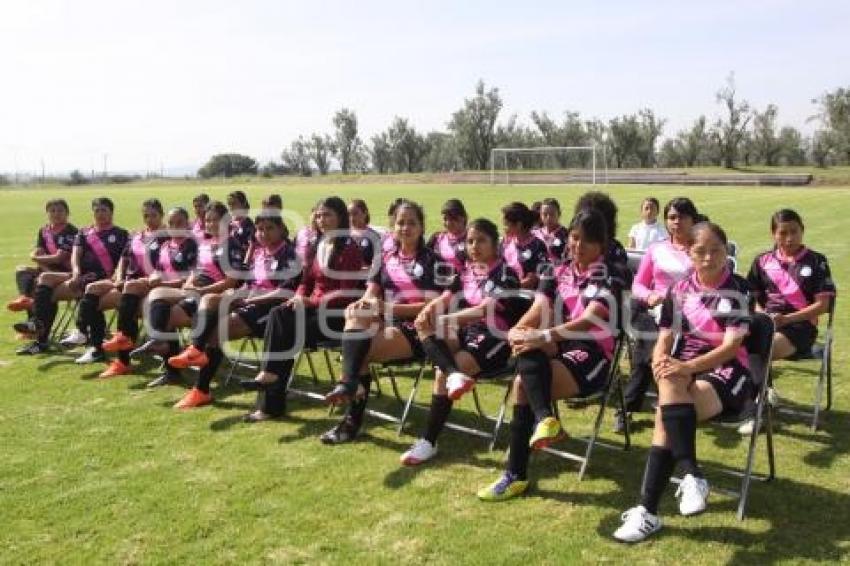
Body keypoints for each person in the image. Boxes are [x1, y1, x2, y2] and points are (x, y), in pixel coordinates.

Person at [613, 222, 752, 543]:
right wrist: (661, 359)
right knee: (669, 391)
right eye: (700, 251)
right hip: (684, 370)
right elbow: (665, 337)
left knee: (666, 413)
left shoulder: (739, 288)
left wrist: (685, 367)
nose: (708, 258)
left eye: (715, 250)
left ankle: (650, 509)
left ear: (725, 252)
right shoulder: (679, 290)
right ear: (689, 253)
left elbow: (730, 348)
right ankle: (689, 476)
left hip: (727, 371)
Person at [477, 209, 619, 500]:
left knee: (522, 384)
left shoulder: (610, 275)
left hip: (592, 355)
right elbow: (540, 307)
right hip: (559, 346)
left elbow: (590, 320)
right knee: (524, 364)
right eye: (575, 238)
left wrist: (541, 335)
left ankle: (517, 472)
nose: (578, 246)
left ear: (601, 246)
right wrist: (519, 329)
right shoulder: (558, 270)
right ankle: (543, 425)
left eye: (587, 242)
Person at [399, 218, 525, 466]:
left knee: (441, 374)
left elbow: (484, 310)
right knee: (425, 325)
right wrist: (429, 311)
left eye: (481, 240)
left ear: (494, 243)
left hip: (494, 339)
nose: (474, 246)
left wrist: (446, 318)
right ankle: (454, 375)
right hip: (467, 332)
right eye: (469, 241)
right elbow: (447, 295)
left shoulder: (506, 274)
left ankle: (428, 441)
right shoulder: (467, 270)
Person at [321, 200, 447, 443]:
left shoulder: (434, 260)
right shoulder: (385, 257)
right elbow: (371, 291)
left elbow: (431, 307)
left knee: (357, 353)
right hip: (384, 321)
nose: (405, 228)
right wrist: (365, 302)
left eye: (412, 223)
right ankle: (349, 384)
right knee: (354, 313)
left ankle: (350, 417)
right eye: (400, 222)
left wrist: (386, 308)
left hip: (418, 328)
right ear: (392, 226)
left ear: (422, 227)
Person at [241, 196, 364, 422]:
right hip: (312, 310)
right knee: (279, 314)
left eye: (327, 215)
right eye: (318, 215)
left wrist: (311, 302)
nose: (322, 220)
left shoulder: (350, 249)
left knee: (284, 332)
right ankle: (268, 381)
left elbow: (346, 293)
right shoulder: (317, 245)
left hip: (336, 316)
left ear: (341, 218)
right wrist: (298, 297)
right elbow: (305, 282)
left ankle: (270, 403)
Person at [168, 211, 300, 409]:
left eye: (270, 228)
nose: (263, 233)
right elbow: (249, 283)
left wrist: (250, 298)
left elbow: (286, 292)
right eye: (260, 229)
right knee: (211, 299)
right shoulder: (258, 252)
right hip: (249, 302)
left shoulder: (289, 254)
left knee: (214, 333)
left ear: (281, 229)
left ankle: (201, 389)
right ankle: (195, 349)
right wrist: (238, 293)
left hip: (271, 310)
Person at [739, 209, 836, 434]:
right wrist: (764, 316)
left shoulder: (817, 261)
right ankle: (762, 394)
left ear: (803, 231)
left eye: (794, 232)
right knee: (739, 344)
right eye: (783, 233)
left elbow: (823, 305)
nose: (789, 238)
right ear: (773, 234)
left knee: (759, 348)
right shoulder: (762, 261)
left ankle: (757, 410)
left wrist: (786, 319)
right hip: (765, 324)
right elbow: (750, 298)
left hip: (800, 327)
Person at [132, 201, 244, 387]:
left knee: (165, 310)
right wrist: (190, 283)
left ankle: (182, 359)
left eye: (215, 220)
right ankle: (169, 364)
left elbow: (231, 282)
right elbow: (196, 271)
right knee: (159, 302)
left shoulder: (231, 244)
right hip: (196, 292)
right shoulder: (206, 243)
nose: (210, 224)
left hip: (217, 298)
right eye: (207, 220)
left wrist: (201, 290)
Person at [616, 197, 702, 433]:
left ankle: (637, 406)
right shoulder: (656, 249)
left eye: (682, 217)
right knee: (652, 348)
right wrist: (650, 296)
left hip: (689, 315)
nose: (677, 222)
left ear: (693, 220)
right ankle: (642, 406)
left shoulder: (700, 252)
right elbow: (638, 285)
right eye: (672, 217)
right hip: (651, 309)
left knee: (650, 353)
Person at [17, 198, 128, 356]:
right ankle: (39, 333)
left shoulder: (121, 234)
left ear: (111, 212)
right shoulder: (84, 232)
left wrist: (117, 276)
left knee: (51, 292)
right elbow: (75, 256)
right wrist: (76, 273)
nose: (100, 214)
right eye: (97, 210)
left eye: (104, 210)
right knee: (45, 281)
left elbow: (125, 260)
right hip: (81, 276)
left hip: (104, 278)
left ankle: (83, 333)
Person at [98, 206, 198, 378]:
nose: (175, 226)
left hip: (181, 290)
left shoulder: (193, 245)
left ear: (187, 223)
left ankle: (169, 366)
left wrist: (162, 282)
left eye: (179, 222)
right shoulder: (167, 245)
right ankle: (124, 338)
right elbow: (158, 271)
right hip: (162, 287)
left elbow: (193, 278)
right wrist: (151, 278)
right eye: (171, 223)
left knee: (157, 305)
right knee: (131, 287)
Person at [72, 199, 166, 366]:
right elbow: (124, 258)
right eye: (146, 215)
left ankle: (123, 343)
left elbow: (167, 264)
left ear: (161, 215)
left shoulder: (166, 237)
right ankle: (93, 343)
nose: (149, 219)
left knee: (125, 291)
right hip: (128, 280)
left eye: (154, 215)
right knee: (92, 289)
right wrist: (120, 276)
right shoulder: (137, 235)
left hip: (150, 282)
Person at [8, 199, 77, 336]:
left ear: (67, 213)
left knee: (38, 286)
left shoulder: (72, 231)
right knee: (22, 271)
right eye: (52, 211)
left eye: (60, 211)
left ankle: (37, 329)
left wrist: (35, 258)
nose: (56, 214)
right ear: (47, 213)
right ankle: (25, 302)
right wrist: (40, 260)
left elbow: (59, 257)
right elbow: (38, 250)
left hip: (65, 271)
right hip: (47, 270)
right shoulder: (44, 230)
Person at [500, 202, 549, 290]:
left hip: (526, 296)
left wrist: (511, 288)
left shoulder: (537, 246)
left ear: (518, 225)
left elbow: (534, 279)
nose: (503, 228)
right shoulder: (505, 243)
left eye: (506, 224)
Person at [426, 198, 468, 273]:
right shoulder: (436, 238)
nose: (448, 223)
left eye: (453, 219)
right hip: (440, 281)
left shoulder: (472, 239)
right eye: (445, 219)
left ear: (463, 218)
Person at [532, 197, 569, 262]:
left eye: (552, 214)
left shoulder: (566, 235)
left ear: (559, 214)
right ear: (540, 215)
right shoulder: (534, 234)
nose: (548, 218)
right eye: (545, 214)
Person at [348, 199, 380, 268]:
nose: (351, 218)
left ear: (365, 213)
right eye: (349, 214)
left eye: (355, 214)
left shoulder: (374, 236)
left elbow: (378, 264)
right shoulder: (343, 235)